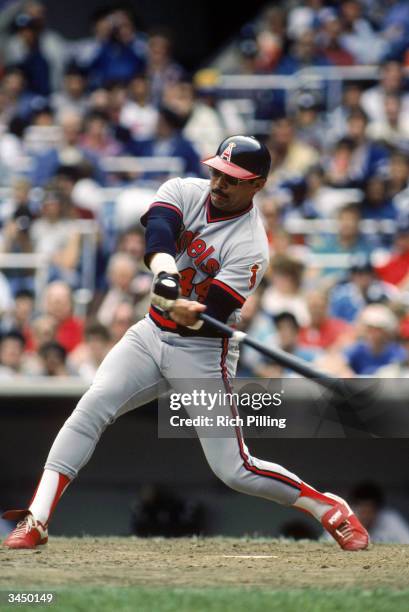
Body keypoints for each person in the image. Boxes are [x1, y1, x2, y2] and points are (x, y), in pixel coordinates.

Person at [2, 135, 368, 551]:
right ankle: (37, 518)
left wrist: (193, 313)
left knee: (234, 470)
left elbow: (215, 315)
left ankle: (327, 507)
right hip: (149, 333)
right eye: (218, 171)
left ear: (257, 185)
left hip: (203, 353)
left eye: (233, 178)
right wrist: (166, 277)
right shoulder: (183, 189)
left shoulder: (252, 246)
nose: (219, 183)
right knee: (92, 405)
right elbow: (158, 234)